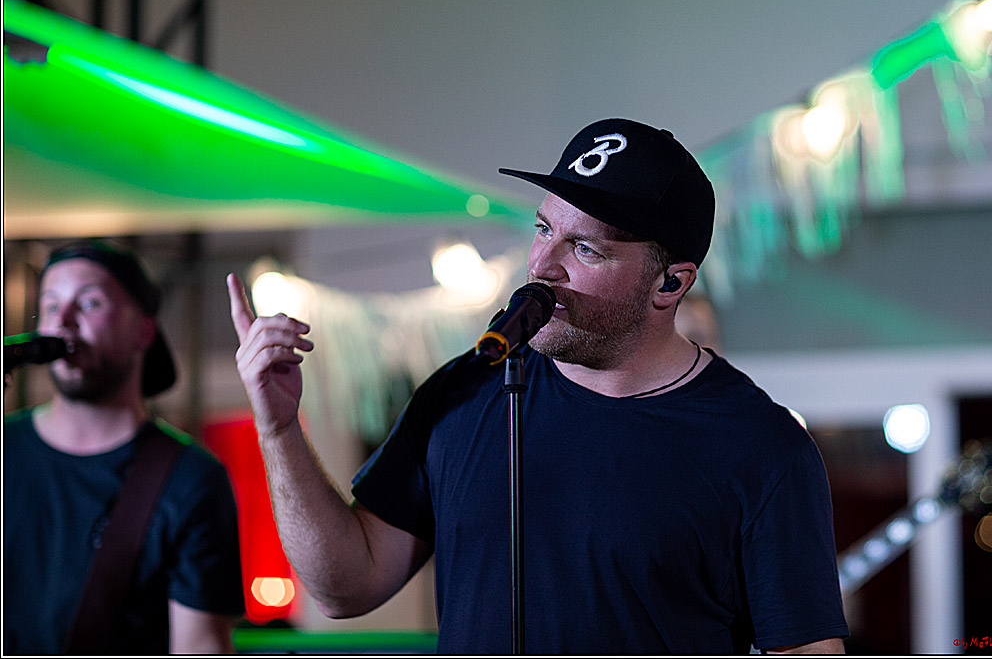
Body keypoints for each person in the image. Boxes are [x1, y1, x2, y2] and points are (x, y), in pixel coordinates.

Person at [228, 118, 850, 654]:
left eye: (585, 248)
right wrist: (279, 428)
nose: (543, 266)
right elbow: (346, 586)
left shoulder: (760, 447)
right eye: (544, 228)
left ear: (670, 283)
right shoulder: (464, 390)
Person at [3, 240, 246, 654]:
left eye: (90, 303)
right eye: (49, 305)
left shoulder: (191, 480)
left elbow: (201, 646)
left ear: (143, 330)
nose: (62, 320)